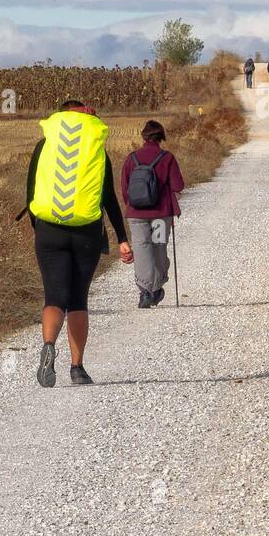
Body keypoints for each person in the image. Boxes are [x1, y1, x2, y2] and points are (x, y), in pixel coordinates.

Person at [22, 99, 132, 388]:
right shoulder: (96, 150)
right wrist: (122, 237)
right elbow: (108, 197)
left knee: (53, 297)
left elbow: (31, 193)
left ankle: (48, 345)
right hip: (86, 232)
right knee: (78, 299)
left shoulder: (43, 146)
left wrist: (40, 230)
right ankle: (77, 368)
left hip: (49, 230)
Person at [120, 120, 185, 309]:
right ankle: (156, 288)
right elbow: (178, 186)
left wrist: (133, 205)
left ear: (143, 136)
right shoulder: (167, 158)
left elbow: (125, 189)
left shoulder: (132, 158)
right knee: (158, 248)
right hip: (160, 214)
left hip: (136, 214)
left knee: (141, 250)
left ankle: (145, 292)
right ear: (161, 137)